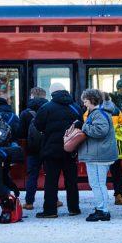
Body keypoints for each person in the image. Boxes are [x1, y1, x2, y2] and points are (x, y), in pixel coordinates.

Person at [33, 89, 82, 219]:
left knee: (51, 181)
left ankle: (50, 211)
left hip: (51, 150)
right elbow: (81, 124)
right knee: (71, 180)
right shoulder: (75, 107)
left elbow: (37, 125)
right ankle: (74, 208)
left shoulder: (46, 107)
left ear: (53, 95)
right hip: (70, 149)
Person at [78, 88, 117, 222]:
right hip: (99, 154)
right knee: (98, 183)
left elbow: (100, 131)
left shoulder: (98, 113)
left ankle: (102, 211)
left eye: (86, 101)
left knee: (98, 184)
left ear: (92, 100)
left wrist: (83, 126)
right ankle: (101, 208)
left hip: (98, 156)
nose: (84, 104)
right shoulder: (100, 112)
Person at [19, 87, 48, 210]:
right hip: (48, 147)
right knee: (50, 174)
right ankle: (54, 200)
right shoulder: (49, 109)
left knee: (32, 175)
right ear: (44, 96)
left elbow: (21, 133)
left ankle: (29, 202)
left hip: (32, 149)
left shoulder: (25, 113)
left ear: (32, 96)